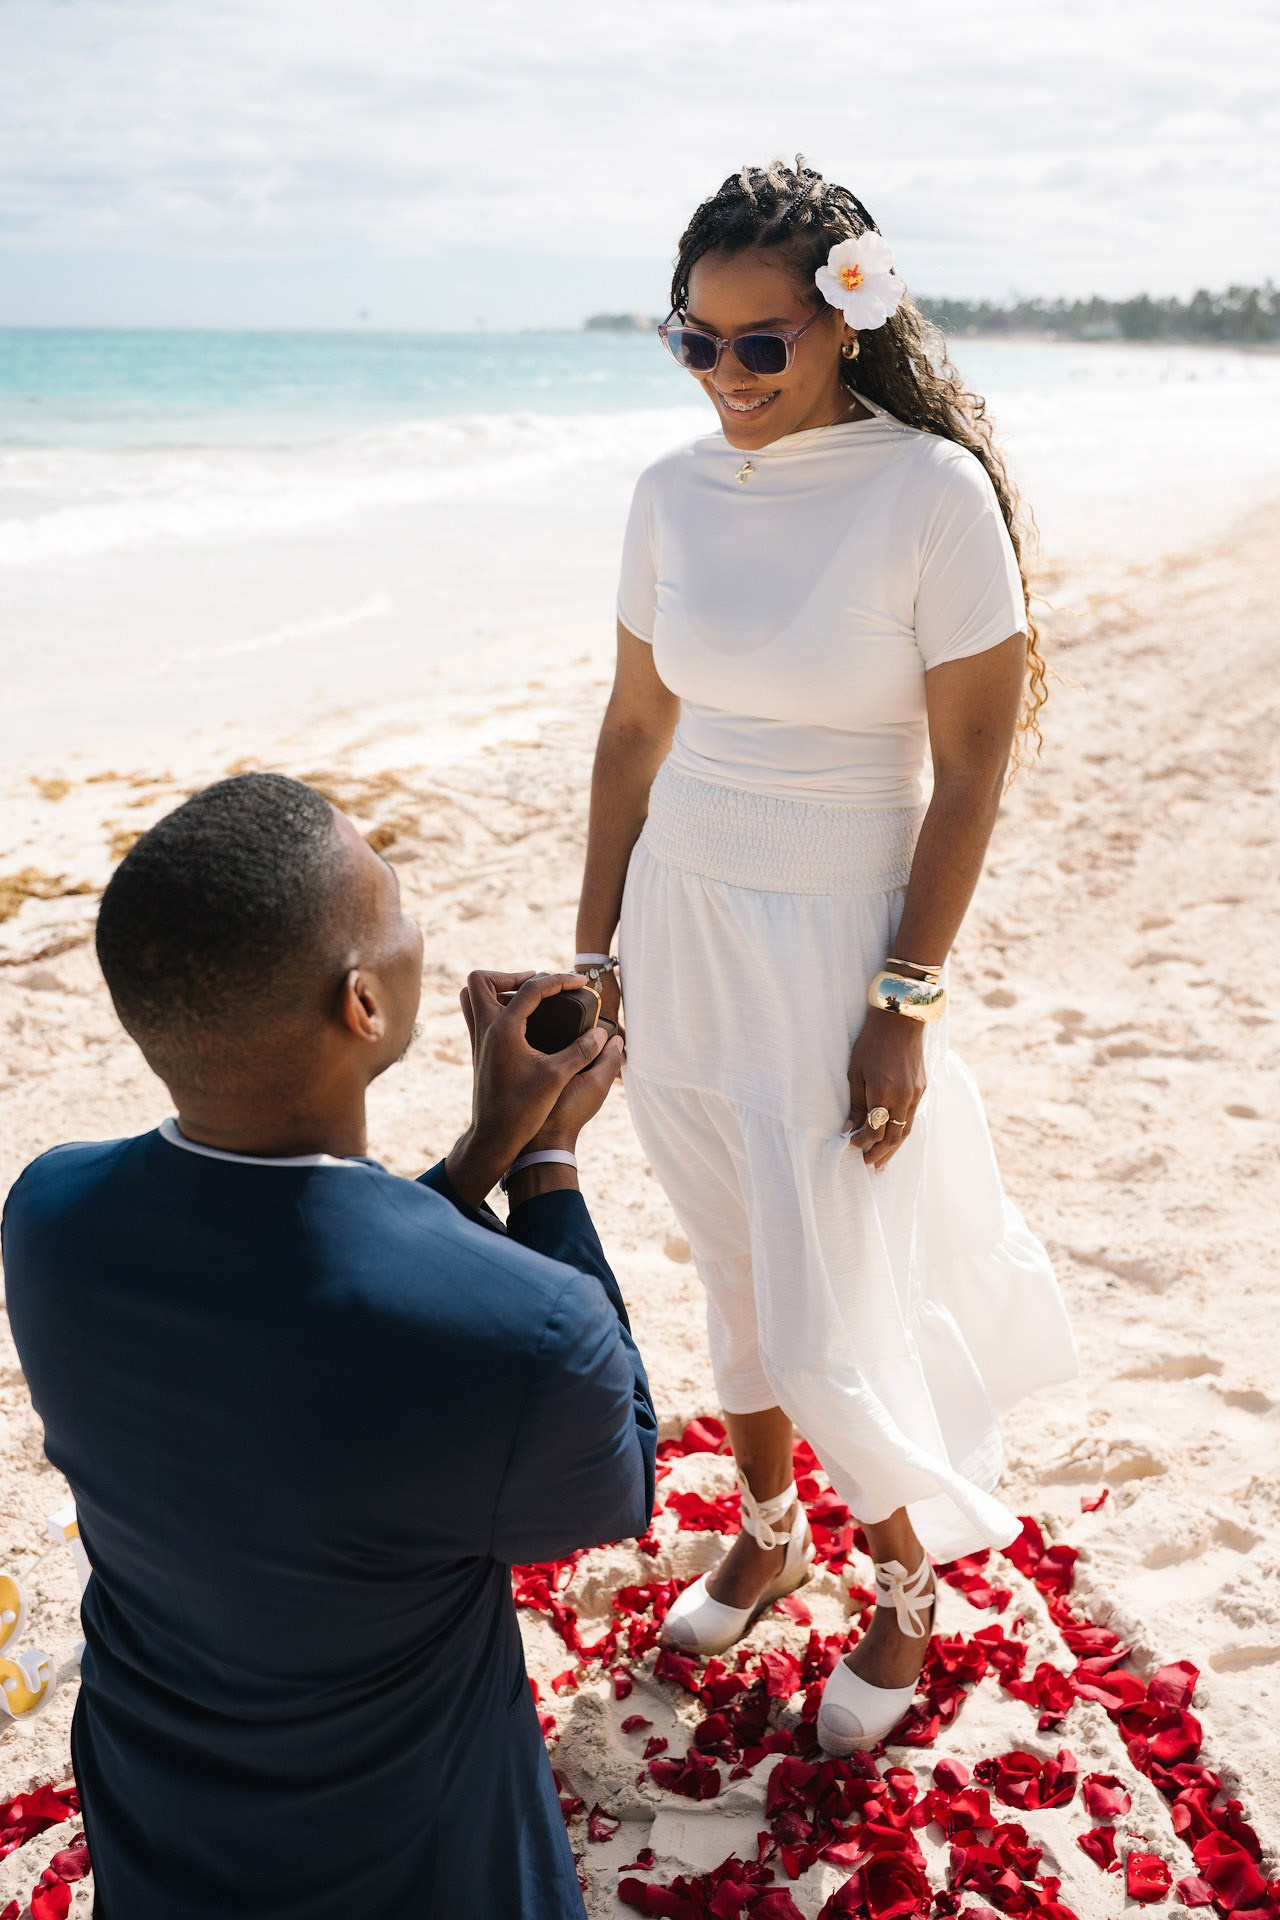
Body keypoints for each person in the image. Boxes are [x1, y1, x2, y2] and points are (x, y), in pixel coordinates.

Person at [573, 157, 1078, 1755]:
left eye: (761, 345)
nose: (727, 377)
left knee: (826, 1285)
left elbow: (975, 767)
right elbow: (637, 726)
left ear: (847, 322)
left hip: (835, 946)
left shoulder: (930, 495)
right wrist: (593, 949)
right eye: (695, 343)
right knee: (731, 1257)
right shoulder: (667, 493)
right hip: (684, 918)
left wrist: (904, 1003)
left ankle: (905, 1588)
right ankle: (777, 1525)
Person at [2, 772, 655, 1920]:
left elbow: (288, 1308)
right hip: (410, 1855)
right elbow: (617, 1479)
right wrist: (547, 1166)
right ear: (362, 1004)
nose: (415, 923)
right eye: (395, 896)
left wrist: (479, 1151)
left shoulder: (51, 1217)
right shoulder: (525, 1332)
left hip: (168, 1819)